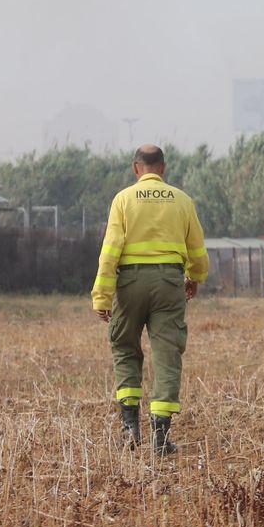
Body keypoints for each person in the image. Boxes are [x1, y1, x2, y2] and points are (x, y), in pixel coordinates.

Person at [92, 145, 209, 456]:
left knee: (125, 349)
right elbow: (198, 251)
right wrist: (194, 278)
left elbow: (110, 252)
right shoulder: (182, 201)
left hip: (129, 283)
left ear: (136, 169)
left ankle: (130, 428)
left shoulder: (123, 200)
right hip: (169, 283)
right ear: (163, 168)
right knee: (167, 354)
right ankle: (161, 437)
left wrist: (102, 295)